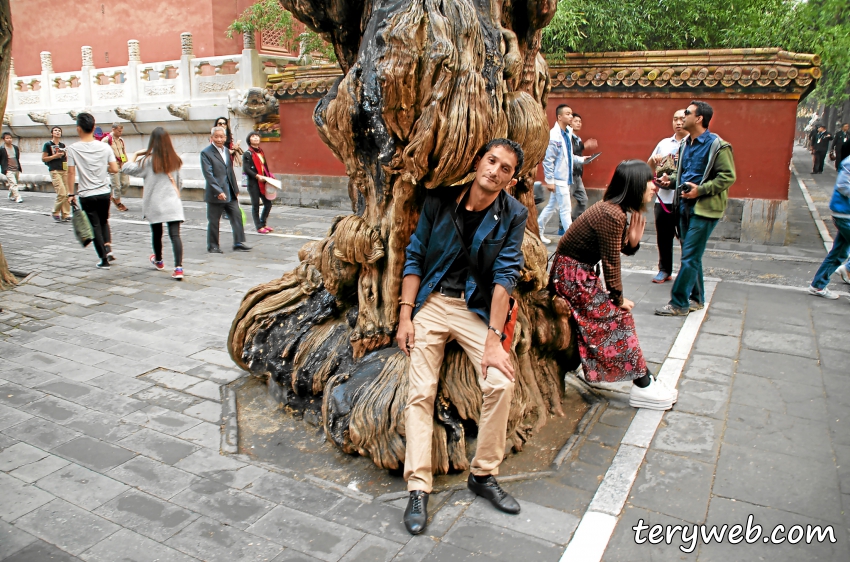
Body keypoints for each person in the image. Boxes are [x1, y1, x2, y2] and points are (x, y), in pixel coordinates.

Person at [397, 138, 528, 535]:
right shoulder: (440, 201)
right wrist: (405, 316)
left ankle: (483, 474)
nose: (495, 171)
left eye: (505, 168)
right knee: (421, 392)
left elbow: (506, 276)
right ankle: (418, 486)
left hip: (475, 309)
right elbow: (415, 255)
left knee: (501, 382)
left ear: (511, 178)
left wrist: (493, 339)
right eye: (491, 161)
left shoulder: (513, 214)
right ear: (477, 161)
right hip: (433, 302)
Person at [551, 160, 678, 409]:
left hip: (576, 275)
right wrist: (618, 299)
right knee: (618, 318)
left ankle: (641, 377)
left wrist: (633, 242)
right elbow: (611, 263)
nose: (653, 187)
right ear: (633, 185)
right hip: (572, 276)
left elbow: (618, 249)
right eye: (648, 182)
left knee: (610, 318)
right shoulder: (611, 213)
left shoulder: (614, 210)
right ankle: (643, 384)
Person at [655, 101, 736, 316]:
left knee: (689, 255)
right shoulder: (684, 145)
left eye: (687, 114)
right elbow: (682, 174)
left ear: (699, 118)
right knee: (692, 254)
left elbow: (728, 177)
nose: (682, 119)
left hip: (704, 208)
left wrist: (700, 190)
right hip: (683, 204)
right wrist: (669, 181)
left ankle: (679, 303)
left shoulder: (718, 146)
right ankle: (696, 298)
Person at [122, 127, 186, 280]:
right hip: (172, 202)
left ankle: (159, 261)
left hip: (155, 203)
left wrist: (136, 154)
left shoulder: (148, 162)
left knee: (157, 233)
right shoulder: (175, 160)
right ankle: (178, 268)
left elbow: (126, 168)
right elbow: (180, 183)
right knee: (175, 235)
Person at [67, 113, 120, 269]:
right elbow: (115, 169)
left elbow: (71, 173)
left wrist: (70, 194)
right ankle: (108, 248)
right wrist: (103, 167)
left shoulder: (73, 149)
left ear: (79, 129)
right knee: (104, 221)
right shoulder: (105, 147)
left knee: (95, 226)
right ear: (93, 127)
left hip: (86, 194)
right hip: (104, 192)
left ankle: (103, 259)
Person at [647, 109, 688, 283]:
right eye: (675, 119)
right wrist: (654, 160)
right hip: (663, 199)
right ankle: (664, 269)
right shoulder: (664, 143)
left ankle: (687, 273)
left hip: (684, 199)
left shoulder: (693, 144)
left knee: (686, 239)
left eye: (682, 119)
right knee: (663, 237)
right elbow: (649, 167)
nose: (678, 122)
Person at [201, 126, 250, 253]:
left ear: (225, 138)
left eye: (221, 137)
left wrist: (235, 188)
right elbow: (208, 175)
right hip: (215, 193)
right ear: (211, 138)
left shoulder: (227, 151)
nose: (219, 139)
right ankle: (213, 245)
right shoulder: (206, 153)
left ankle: (238, 242)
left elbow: (230, 171)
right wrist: (218, 191)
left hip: (230, 191)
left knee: (236, 216)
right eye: (216, 137)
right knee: (214, 220)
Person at [808, 155, 850, 298]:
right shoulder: (849, 163)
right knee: (839, 252)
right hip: (845, 213)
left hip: (845, 213)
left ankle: (818, 285)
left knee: (839, 252)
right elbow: (843, 185)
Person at [538, 104, 576, 243]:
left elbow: (568, 157)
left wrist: (581, 160)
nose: (571, 116)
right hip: (559, 180)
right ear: (559, 117)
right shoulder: (554, 136)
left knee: (552, 207)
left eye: (571, 113)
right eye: (568, 114)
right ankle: (572, 239)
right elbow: (548, 160)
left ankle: (538, 230)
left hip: (565, 179)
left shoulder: (567, 134)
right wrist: (550, 180)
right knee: (565, 210)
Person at [243, 131, 275, 233]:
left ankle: (263, 223)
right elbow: (246, 169)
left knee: (268, 204)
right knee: (255, 205)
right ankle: (258, 227)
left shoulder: (261, 152)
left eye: (257, 136)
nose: (256, 138)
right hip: (254, 183)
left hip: (263, 182)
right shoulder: (247, 154)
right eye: (253, 136)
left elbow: (264, 167)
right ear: (249, 140)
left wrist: (268, 176)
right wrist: (257, 176)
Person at [569, 113, 598, 221]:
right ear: (570, 122)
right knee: (565, 204)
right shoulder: (567, 137)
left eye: (580, 122)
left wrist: (585, 159)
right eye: (576, 121)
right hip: (569, 174)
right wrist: (584, 146)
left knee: (583, 200)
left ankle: (573, 222)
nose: (579, 123)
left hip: (577, 175)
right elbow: (569, 152)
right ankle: (563, 227)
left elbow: (577, 154)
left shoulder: (577, 138)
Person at [43, 126, 70, 222]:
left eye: (59, 131)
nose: (57, 132)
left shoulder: (63, 145)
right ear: (52, 133)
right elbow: (44, 158)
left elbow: (65, 158)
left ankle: (66, 214)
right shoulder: (47, 144)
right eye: (55, 130)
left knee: (66, 193)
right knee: (61, 193)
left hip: (64, 169)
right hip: (54, 170)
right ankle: (55, 212)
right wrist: (55, 156)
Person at [102, 123, 130, 211]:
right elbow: (101, 153)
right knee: (116, 185)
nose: (120, 133)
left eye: (121, 131)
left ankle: (115, 197)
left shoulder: (121, 140)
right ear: (113, 129)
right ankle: (118, 202)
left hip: (121, 163)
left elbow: (123, 151)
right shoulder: (106, 140)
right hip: (113, 164)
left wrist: (125, 161)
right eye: (119, 131)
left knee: (126, 183)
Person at [1, 132, 23, 203]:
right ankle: (18, 197)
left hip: (16, 168)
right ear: (4, 139)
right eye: (7, 138)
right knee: (13, 183)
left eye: (10, 138)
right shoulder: (2, 149)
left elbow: (17, 157)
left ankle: (11, 195)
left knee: (14, 183)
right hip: (8, 169)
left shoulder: (15, 148)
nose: (9, 139)